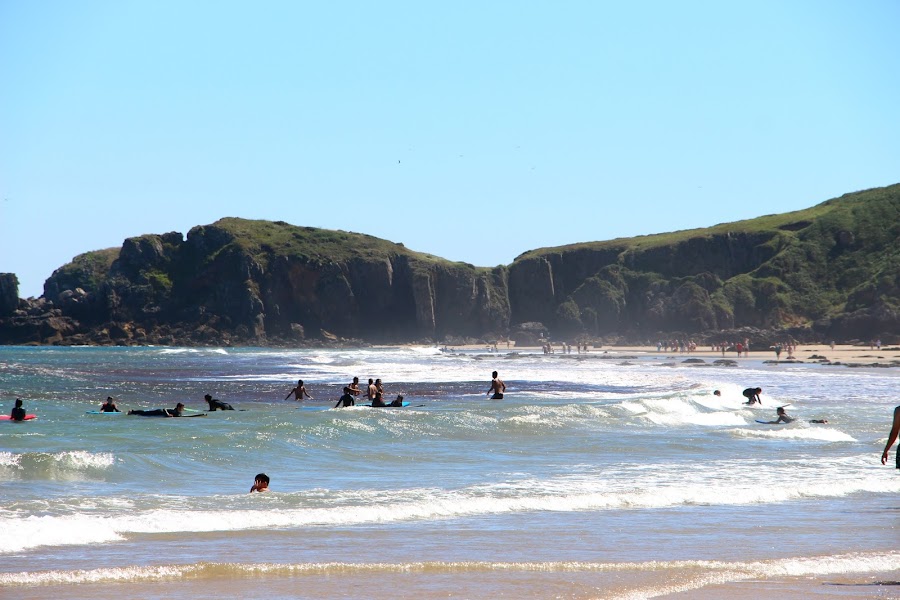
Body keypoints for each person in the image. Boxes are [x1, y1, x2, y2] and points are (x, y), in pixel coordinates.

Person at [128, 403, 202, 417]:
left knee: (145, 413)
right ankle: (132, 411)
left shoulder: (178, 412)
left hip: (159, 413)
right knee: (145, 413)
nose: (183, 409)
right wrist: (167, 414)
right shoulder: (175, 411)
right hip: (159, 412)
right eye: (182, 407)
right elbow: (165, 409)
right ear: (179, 407)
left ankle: (133, 412)